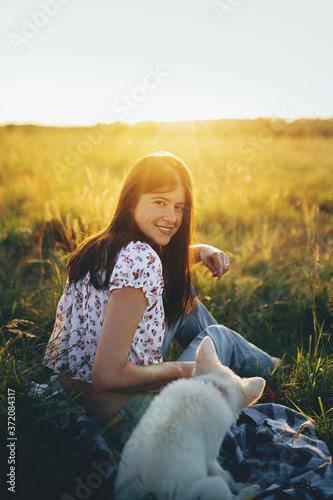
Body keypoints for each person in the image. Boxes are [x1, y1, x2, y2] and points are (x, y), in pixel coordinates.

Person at [44, 151, 279, 451]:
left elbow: (145, 278)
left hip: (69, 396)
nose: (171, 217)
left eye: (178, 206)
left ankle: (262, 368)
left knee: (182, 295)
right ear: (132, 201)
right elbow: (106, 376)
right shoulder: (141, 258)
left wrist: (200, 250)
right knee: (219, 336)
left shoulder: (97, 247)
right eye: (159, 202)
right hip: (125, 417)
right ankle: (278, 370)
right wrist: (182, 370)